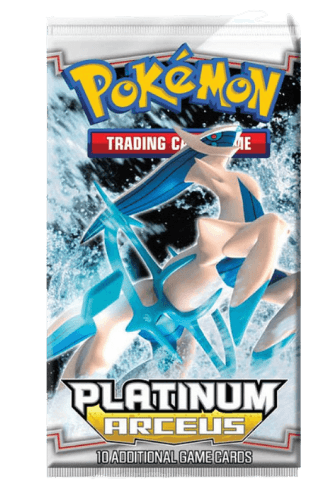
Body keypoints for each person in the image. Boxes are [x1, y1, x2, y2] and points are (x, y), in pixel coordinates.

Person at [48, 124, 299, 380]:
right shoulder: (213, 234)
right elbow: (244, 238)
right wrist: (271, 230)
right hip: (148, 302)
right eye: (215, 159)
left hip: (184, 327)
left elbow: (252, 261)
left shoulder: (245, 233)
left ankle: (264, 354)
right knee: (89, 367)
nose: (226, 173)